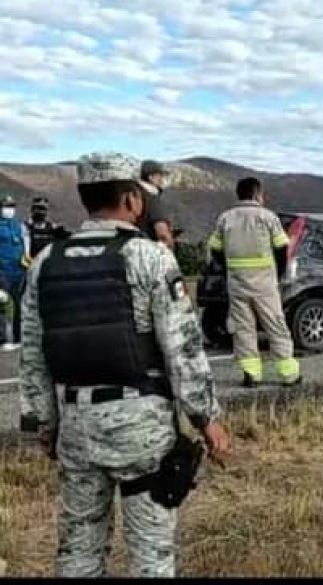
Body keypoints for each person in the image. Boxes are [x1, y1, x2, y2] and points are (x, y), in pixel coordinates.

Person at [19, 152, 229, 577]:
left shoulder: (46, 264)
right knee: (151, 555)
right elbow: (182, 349)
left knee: (78, 549)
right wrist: (207, 419)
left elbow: (33, 353)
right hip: (141, 431)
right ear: (133, 200)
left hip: (77, 426)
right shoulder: (150, 258)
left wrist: (44, 423)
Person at [207, 176, 301, 387]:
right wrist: (278, 274)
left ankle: (251, 374)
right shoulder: (268, 217)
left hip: (238, 284)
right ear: (258, 194)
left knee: (243, 329)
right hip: (264, 283)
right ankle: (288, 374)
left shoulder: (226, 218)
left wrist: (228, 267)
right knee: (275, 326)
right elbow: (281, 248)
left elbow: (214, 248)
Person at [0, 194, 30, 350]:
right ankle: (4, 340)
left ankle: (18, 339)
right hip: (2, 273)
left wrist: (26, 259)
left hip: (18, 272)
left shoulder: (17, 226)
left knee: (18, 305)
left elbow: (25, 243)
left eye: (12, 207)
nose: (9, 210)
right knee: (3, 305)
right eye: (6, 206)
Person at [139, 160, 175, 249]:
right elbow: (163, 234)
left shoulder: (136, 195)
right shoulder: (152, 197)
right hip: (152, 251)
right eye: (159, 175)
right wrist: (170, 250)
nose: (162, 179)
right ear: (151, 177)